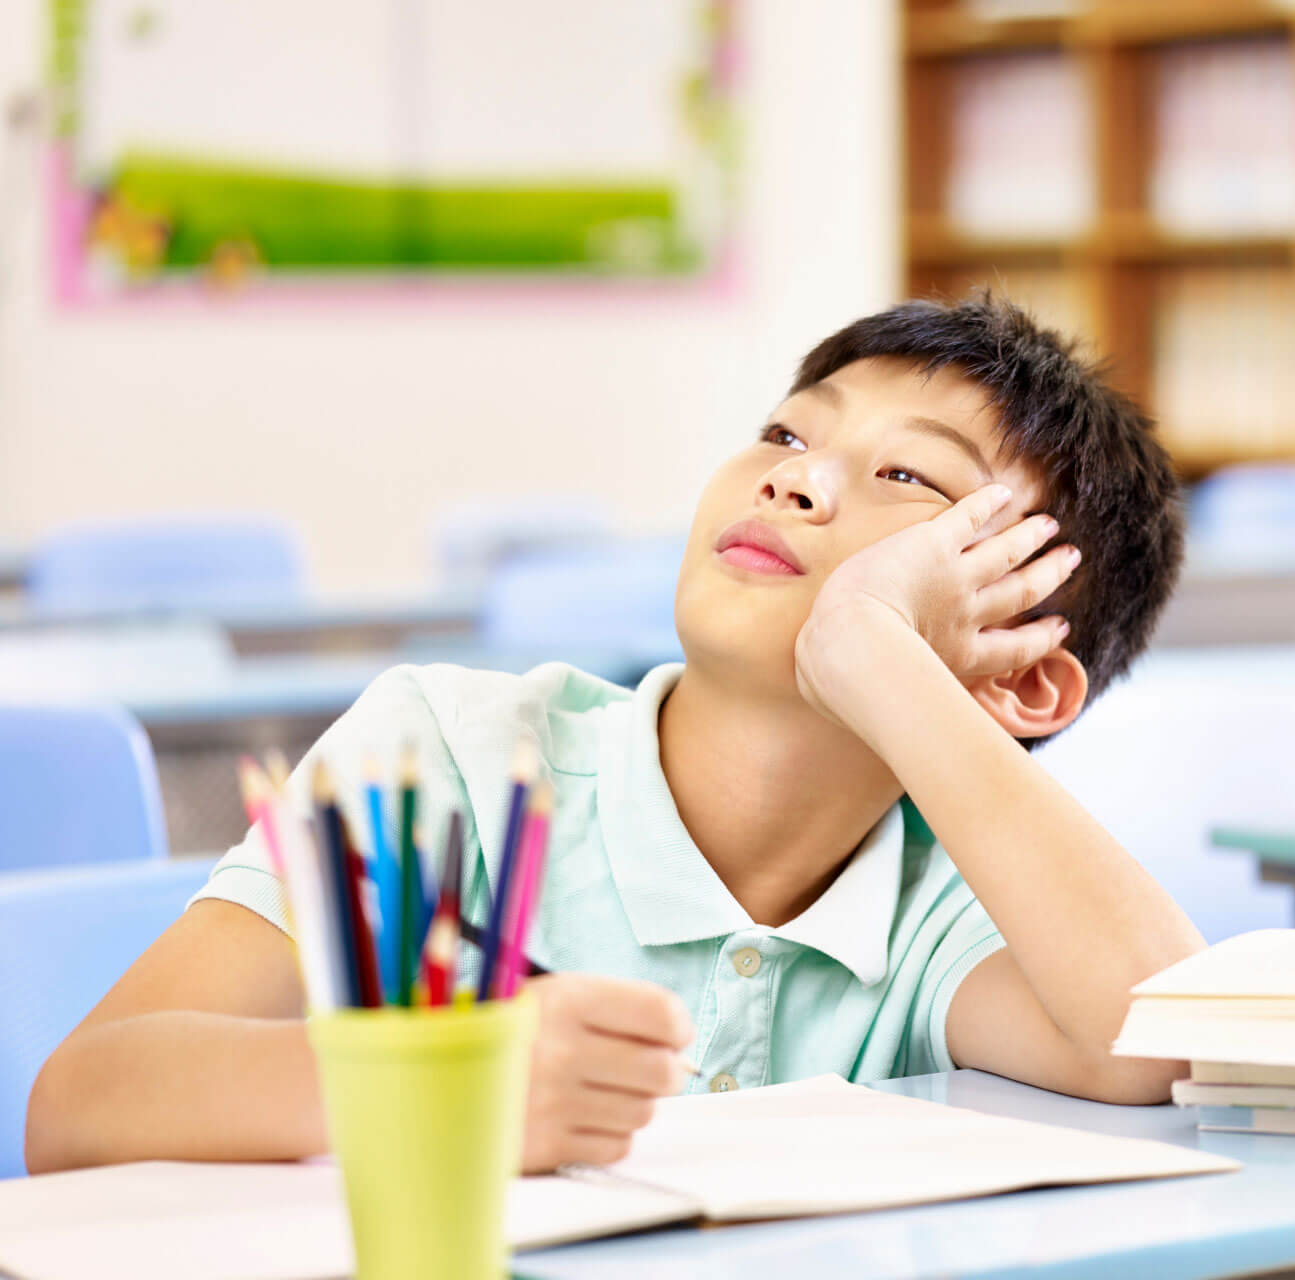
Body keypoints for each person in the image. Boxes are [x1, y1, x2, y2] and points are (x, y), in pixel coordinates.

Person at [26, 295, 1201, 1174]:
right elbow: (82, 1102)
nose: (796, 483)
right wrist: (445, 1089)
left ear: (1025, 679)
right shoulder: (456, 752)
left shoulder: (946, 893)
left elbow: (1157, 1035)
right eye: (788, 437)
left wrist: (875, 649)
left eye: (907, 478)